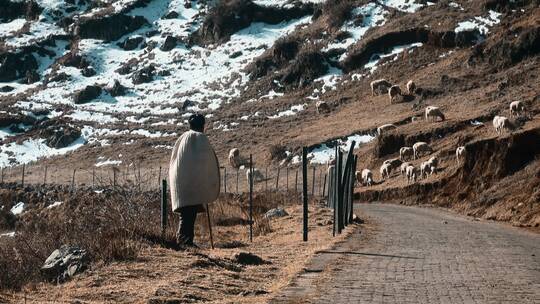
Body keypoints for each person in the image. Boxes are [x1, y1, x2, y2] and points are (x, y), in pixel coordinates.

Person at [169, 114, 220, 247]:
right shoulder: (200, 138)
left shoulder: (182, 138)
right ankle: (184, 242)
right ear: (202, 126)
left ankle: (186, 240)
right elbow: (206, 160)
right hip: (192, 184)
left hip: (181, 183)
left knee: (187, 214)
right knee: (188, 214)